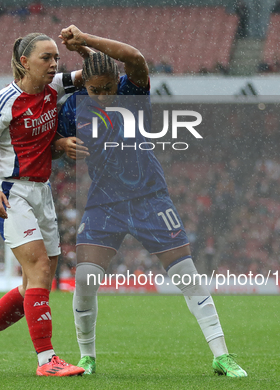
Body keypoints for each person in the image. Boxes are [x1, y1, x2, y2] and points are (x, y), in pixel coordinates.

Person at [54, 25, 248, 377]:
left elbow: (135, 58)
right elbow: (52, 143)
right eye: (95, 90)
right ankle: (87, 357)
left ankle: (221, 355)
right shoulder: (71, 109)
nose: (102, 96)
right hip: (104, 202)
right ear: (85, 87)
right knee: (84, 279)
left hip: (149, 197)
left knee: (186, 276)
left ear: (118, 84)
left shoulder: (133, 93)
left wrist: (85, 40)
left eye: (108, 89)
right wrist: (59, 145)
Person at [0, 32, 86, 377]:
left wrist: (83, 45)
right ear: (24, 62)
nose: (54, 64)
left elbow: (96, 71)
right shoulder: (4, 102)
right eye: (46, 58)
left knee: (36, 283)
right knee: (40, 269)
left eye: (57, 58)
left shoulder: (54, 88)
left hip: (41, 192)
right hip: (11, 192)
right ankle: (47, 361)